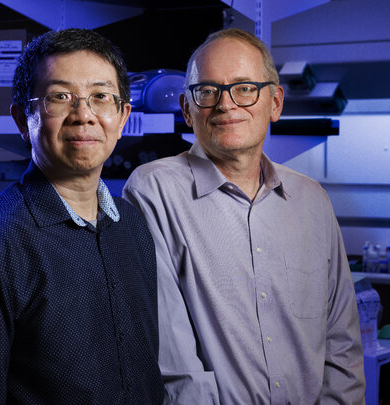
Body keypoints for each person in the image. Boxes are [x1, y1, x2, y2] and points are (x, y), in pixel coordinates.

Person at [123, 28, 365, 404]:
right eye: (207, 91)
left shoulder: (312, 200)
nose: (226, 104)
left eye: (245, 88)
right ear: (187, 109)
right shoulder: (154, 191)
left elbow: (342, 345)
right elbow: (174, 364)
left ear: (275, 103)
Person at [0, 29, 164, 404]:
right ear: (23, 119)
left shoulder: (132, 226)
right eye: (60, 97)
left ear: (123, 117)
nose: (84, 115)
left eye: (101, 97)